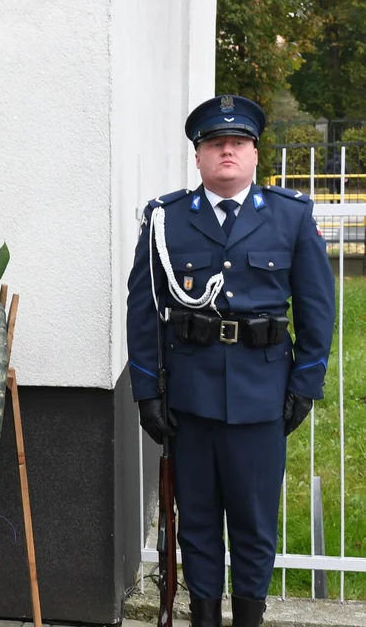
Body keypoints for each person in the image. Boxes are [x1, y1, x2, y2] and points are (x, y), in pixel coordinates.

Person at [126, 95, 335, 627]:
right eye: (215, 144)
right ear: (197, 157)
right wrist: (147, 392)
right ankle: (203, 619)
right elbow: (144, 310)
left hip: (261, 397)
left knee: (253, 523)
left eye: (237, 143)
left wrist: (305, 386)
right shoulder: (164, 221)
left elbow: (317, 311)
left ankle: (249, 619)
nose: (227, 151)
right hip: (189, 399)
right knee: (195, 521)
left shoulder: (291, 217)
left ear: (255, 154)